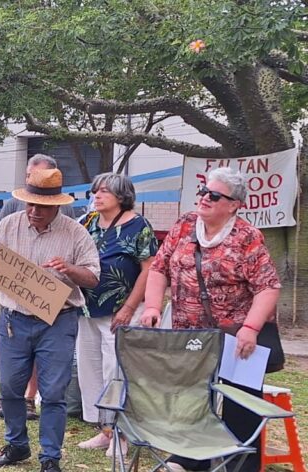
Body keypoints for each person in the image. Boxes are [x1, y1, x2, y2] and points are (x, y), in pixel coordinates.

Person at [140, 167, 281, 472]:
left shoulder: (247, 237)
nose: (204, 198)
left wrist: (250, 328)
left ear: (234, 204)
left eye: (214, 195)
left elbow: (268, 286)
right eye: (203, 191)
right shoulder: (185, 225)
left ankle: (241, 465)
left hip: (236, 339)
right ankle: (189, 459)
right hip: (189, 335)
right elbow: (158, 269)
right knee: (190, 398)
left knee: (241, 407)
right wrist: (152, 306)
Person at [0, 168, 100, 472]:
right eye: (30, 204)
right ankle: (17, 445)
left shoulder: (76, 233)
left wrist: (70, 269)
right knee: (9, 387)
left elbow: (93, 278)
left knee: (54, 392)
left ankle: (50, 457)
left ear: (57, 206)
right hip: (14, 319)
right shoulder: (10, 224)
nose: (34, 211)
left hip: (58, 322)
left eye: (42, 206)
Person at [75, 173, 157, 458]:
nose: (96, 196)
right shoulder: (85, 222)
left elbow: (150, 269)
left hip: (120, 312)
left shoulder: (139, 226)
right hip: (86, 309)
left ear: (122, 197)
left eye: (104, 192)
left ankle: (121, 434)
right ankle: (105, 429)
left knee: (117, 373)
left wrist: (130, 307)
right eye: (94, 191)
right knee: (91, 372)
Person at [0, 153, 79, 420]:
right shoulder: (11, 209)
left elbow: (86, 270)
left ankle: (32, 399)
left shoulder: (71, 222)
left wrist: (67, 268)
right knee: (10, 374)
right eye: (31, 177)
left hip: (53, 311)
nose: (34, 210)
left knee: (52, 386)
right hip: (15, 308)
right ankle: (13, 424)